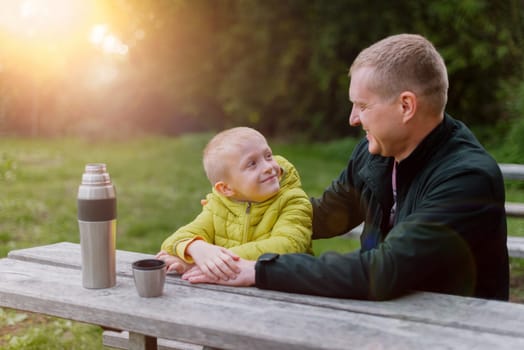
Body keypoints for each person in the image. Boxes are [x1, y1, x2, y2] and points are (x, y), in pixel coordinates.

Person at [181, 33, 510, 301]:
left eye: (362, 106)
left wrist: (259, 270)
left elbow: (385, 269)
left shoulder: (466, 178)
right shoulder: (374, 154)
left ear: (406, 106)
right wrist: (239, 212)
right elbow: (322, 216)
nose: (353, 118)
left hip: (452, 332)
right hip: (385, 318)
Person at [156, 126, 312, 281]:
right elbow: (174, 241)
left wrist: (211, 262)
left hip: (287, 291)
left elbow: (288, 245)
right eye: (252, 164)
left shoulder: (294, 201)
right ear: (226, 188)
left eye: (268, 156)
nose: (268, 167)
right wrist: (197, 249)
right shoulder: (218, 206)